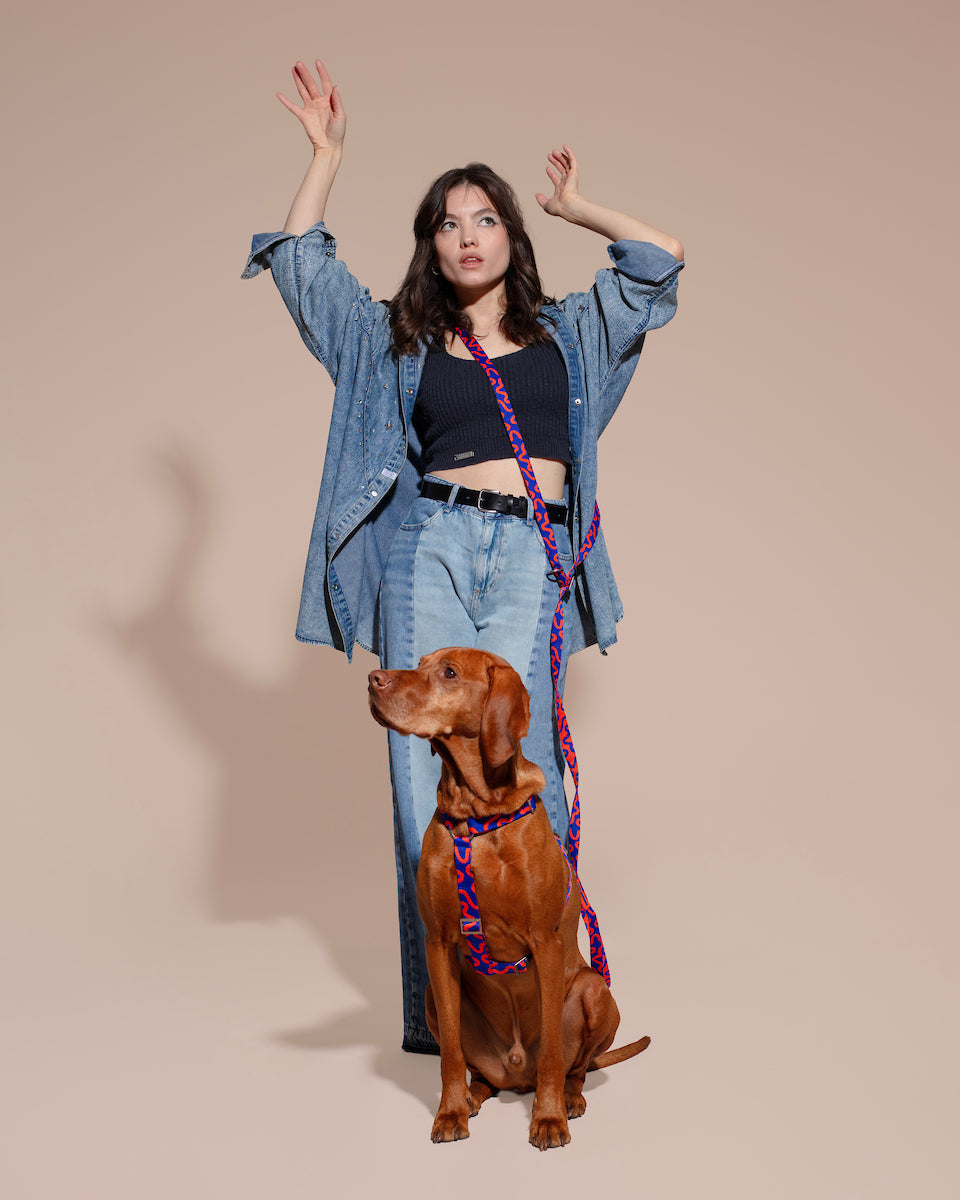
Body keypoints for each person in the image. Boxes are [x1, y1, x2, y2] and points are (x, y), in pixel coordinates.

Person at [243, 59, 684, 1055]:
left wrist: (577, 207)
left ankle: (548, 1025)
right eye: (447, 222)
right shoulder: (398, 342)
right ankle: (452, 1037)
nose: (466, 235)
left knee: (531, 780)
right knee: (419, 784)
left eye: (484, 217)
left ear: (509, 237)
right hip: (428, 548)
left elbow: (660, 259)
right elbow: (304, 269)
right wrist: (327, 157)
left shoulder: (572, 331)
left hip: (530, 552)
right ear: (430, 246)